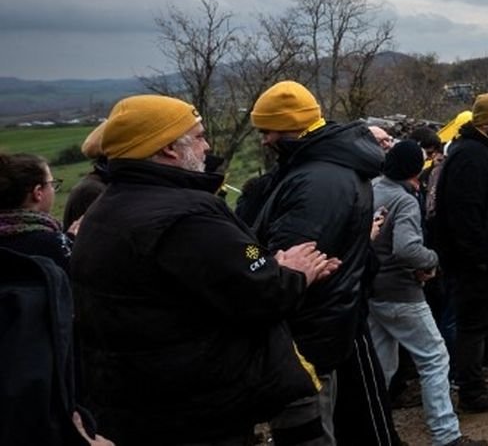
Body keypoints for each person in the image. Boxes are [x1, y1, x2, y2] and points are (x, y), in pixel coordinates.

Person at [70, 94, 340, 445]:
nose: (207, 145)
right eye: (198, 136)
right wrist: (293, 273)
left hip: (135, 399)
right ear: (168, 149)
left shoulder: (105, 209)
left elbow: (198, 281)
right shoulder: (187, 217)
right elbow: (259, 292)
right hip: (196, 407)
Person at [249, 80, 389, 445]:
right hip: (326, 322)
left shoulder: (317, 180)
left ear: (292, 125)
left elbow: (284, 261)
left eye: (268, 130)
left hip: (309, 332)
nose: (264, 140)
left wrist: (249, 254)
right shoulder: (319, 166)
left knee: (312, 432)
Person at [368, 140, 484, 446]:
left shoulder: (373, 189)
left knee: (381, 366)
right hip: (402, 291)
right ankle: (446, 436)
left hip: (372, 289)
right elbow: (406, 249)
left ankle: (373, 429)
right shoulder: (403, 201)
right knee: (434, 358)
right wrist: (432, 259)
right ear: (414, 169)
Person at [431, 92, 488, 412]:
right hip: (473, 264)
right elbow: (463, 214)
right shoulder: (468, 156)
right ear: (485, 123)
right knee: (473, 325)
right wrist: (479, 259)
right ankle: (472, 390)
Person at [0, 153, 70, 269]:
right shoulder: (52, 245)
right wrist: (71, 243)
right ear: (38, 192)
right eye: (52, 184)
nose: (53, 190)